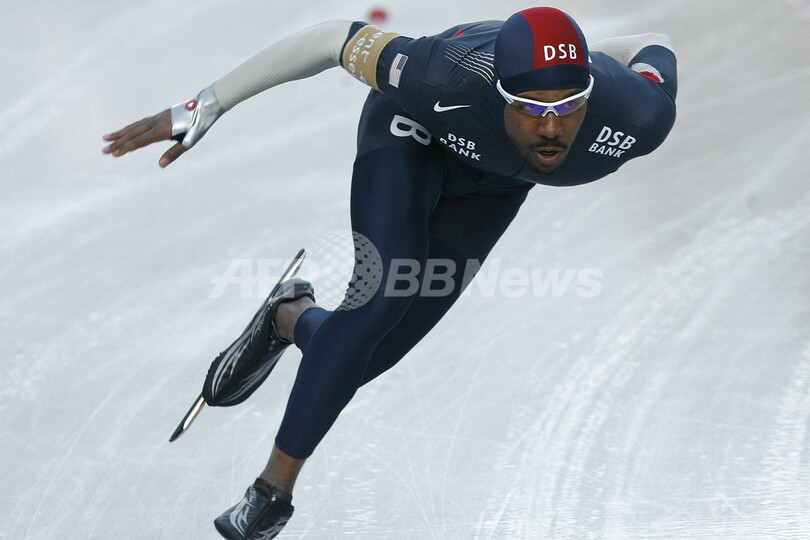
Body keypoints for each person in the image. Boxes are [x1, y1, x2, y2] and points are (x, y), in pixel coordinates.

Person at [103, 7, 677, 539]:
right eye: (528, 107)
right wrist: (207, 103)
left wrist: (581, 64)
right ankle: (272, 491)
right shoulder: (440, 74)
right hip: (412, 135)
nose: (549, 128)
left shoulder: (639, 114)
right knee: (381, 296)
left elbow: (657, 43)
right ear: (499, 90)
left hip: (497, 184)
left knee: (369, 356)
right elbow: (333, 40)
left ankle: (290, 317)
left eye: (566, 107)